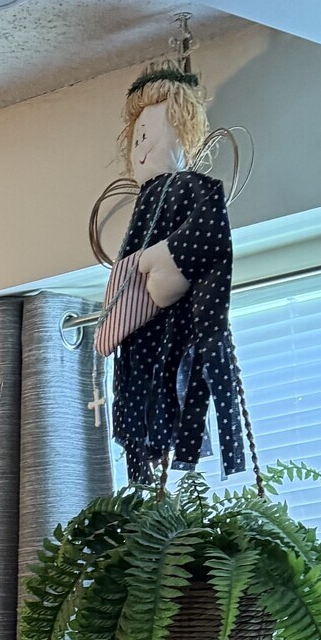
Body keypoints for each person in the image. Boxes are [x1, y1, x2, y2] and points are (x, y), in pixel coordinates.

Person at [109, 61, 245, 484]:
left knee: (173, 376)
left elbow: (210, 237)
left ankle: (160, 452)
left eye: (149, 136)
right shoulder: (143, 203)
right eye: (137, 140)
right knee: (143, 384)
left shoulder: (190, 188)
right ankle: (147, 459)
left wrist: (163, 261)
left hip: (169, 314)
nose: (142, 149)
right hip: (142, 325)